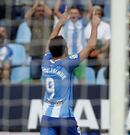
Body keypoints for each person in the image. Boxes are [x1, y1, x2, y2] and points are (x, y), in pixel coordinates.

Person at [40, 7, 100, 135]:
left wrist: (60, 23)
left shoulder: (45, 60)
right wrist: (94, 26)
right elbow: (91, 46)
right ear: (66, 49)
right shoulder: (67, 63)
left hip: (46, 118)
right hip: (64, 118)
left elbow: (49, 41)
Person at [54, 0, 92, 84]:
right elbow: (56, 11)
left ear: (79, 15)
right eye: (72, 13)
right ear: (69, 15)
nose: (74, 15)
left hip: (80, 55)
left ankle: (83, 97)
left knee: (81, 80)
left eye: (75, 13)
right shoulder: (66, 23)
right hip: (68, 55)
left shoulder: (82, 23)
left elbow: (90, 11)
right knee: (66, 80)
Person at [24, 0, 53, 82]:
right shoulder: (32, 22)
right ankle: (35, 95)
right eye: (38, 11)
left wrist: (42, 3)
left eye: (42, 11)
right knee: (35, 78)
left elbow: (50, 13)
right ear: (35, 12)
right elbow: (26, 17)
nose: (40, 13)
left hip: (47, 55)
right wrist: (36, 4)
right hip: (35, 54)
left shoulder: (49, 22)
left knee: (49, 79)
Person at [84, 5, 111, 78]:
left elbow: (107, 43)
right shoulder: (87, 26)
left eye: (99, 14)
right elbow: (85, 42)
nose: (97, 15)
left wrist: (98, 51)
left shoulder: (106, 26)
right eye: (95, 13)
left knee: (101, 57)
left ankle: (100, 76)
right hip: (88, 50)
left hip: (101, 49)